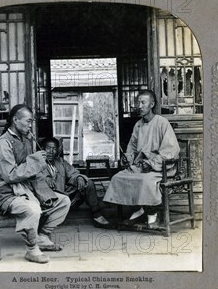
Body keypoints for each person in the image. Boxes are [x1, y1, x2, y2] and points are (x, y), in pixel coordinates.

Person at [0, 104, 70, 264]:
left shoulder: (23, 140)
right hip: (7, 193)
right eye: (28, 121)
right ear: (15, 120)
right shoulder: (3, 143)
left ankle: (42, 237)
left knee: (63, 201)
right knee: (33, 209)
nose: (30, 125)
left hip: (25, 189)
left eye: (31, 122)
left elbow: (28, 170)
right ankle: (31, 249)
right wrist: (35, 160)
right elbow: (10, 175)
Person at [103, 90, 180, 228]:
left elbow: (171, 150)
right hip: (141, 166)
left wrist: (151, 163)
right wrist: (128, 158)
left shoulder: (162, 123)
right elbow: (131, 147)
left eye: (143, 102)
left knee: (146, 181)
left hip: (159, 167)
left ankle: (151, 215)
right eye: (138, 102)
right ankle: (140, 209)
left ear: (152, 104)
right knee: (118, 177)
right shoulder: (138, 125)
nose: (140, 106)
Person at [40, 137, 113, 228]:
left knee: (88, 183)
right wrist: (46, 178)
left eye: (54, 148)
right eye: (48, 148)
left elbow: (73, 173)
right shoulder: (37, 162)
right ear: (42, 149)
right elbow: (34, 178)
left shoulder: (60, 162)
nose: (51, 151)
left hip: (65, 195)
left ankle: (97, 214)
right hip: (49, 200)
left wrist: (79, 178)